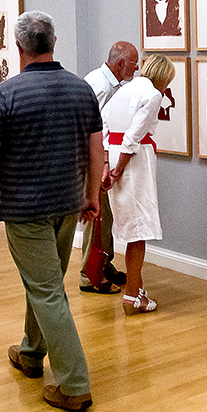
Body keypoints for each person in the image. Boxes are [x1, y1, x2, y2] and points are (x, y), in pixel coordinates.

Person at [0, 11, 103, 412]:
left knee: (46, 290)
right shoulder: (82, 90)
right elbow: (97, 150)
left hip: (27, 211)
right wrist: (91, 194)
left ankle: (74, 384)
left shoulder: (7, 93)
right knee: (45, 283)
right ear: (54, 43)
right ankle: (30, 353)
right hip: (68, 204)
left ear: (19, 47)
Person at [104, 54, 175, 315]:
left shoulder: (125, 90)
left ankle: (136, 289)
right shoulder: (152, 94)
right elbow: (134, 136)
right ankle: (132, 296)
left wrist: (105, 164)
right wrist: (119, 168)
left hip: (113, 152)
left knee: (127, 224)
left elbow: (103, 124)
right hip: (133, 160)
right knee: (138, 228)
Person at [80, 41, 138, 294]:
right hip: (93, 160)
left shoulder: (106, 82)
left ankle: (104, 265)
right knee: (97, 218)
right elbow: (95, 130)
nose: (136, 71)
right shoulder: (102, 87)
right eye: (134, 65)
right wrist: (101, 165)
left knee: (106, 216)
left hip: (100, 159)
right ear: (121, 63)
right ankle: (89, 276)